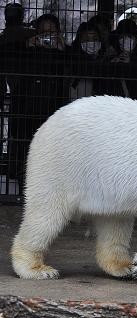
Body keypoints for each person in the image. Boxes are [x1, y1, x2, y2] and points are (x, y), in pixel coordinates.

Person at [7, 13, 69, 190]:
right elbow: (6, 54)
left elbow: (79, 64)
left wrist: (63, 50)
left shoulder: (64, 51)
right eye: (42, 32)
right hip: (26, 109)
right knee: (25, 153)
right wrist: (27, 45)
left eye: (51, 32)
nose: (46, 36)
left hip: (54, 110)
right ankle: (24, 190)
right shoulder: (25, 51)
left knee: (53, 154)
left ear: (59, 32)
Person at [105, 18, 137, 100]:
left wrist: (132, 62)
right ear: (117, 40)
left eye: (130, 37)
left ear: (136, 40)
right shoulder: (110, 57)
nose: (126, 40)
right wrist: (113, 64)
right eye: (122, 37)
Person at [68, 22, 107, 100]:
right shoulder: (74, 59)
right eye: (86, 40)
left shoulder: (106, 57)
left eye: (95, 39)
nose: (91, 43)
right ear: (79, 42)